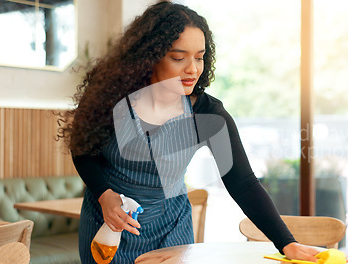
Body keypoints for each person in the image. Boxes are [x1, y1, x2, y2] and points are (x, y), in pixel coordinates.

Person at [58, 1, 320, 263]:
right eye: (178, 57)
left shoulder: (209, 115)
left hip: (171, 229)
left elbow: (243, 183)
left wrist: (287, 243)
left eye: (199, 57)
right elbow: (83, 150)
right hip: (108, 225)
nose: (192, 69)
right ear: (149, 56)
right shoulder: (109, 98)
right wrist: (105, 196)